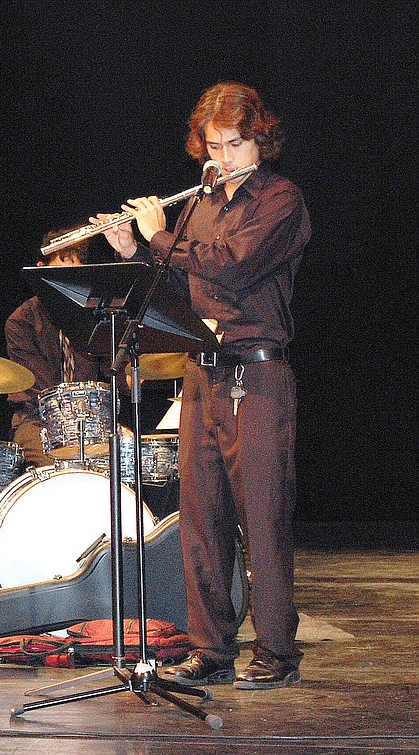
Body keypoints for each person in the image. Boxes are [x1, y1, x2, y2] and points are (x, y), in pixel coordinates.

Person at [95, 82, 311, 689]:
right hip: (202, 372)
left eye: (236, 145)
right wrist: (135, 249)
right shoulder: (201, 202)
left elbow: (233, 265)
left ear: (261, 140)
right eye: (212, 147)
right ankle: (210, 649)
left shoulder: (280, 198)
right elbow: (180, 289)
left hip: (257, 375)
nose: (222, 158)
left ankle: (276, 652)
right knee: (201, 517)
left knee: (262, 518)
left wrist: (160, 236)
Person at [5, 236, 105, 468]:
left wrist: (135, 375)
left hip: (90, 423)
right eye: (61, 274)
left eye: (75, 276)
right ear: (41, 270)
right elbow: (41, 389)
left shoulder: (95, 317)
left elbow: (116, 370)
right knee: (58, 467)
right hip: (37, 420)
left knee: (129, 457)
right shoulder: (22, 321)